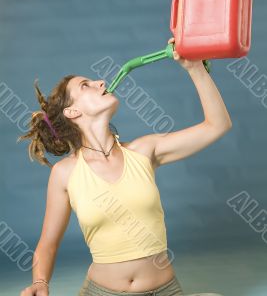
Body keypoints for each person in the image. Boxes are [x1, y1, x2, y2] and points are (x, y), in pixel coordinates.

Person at [19, 38, 231, 296]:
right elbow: (47, 245)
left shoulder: (144, 151)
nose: (101, 83)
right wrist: (40, 284)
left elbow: (217, 125)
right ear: (72, 112)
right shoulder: (65, 173)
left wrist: (195, 69)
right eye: (86, 85)